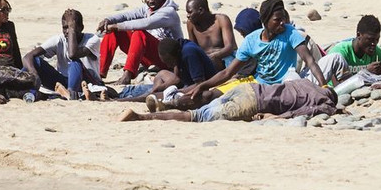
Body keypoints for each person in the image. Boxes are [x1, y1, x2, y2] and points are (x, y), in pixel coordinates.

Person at [178, 0, 329, 104]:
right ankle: (169, 104)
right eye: (277, 20)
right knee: (210, 95)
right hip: (257, 83)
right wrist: (204, 85)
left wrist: (324, 86)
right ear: (265, 20)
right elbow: (227, 73)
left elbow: (310, 61)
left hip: (280, 86)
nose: (283, 23)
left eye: (283, 18)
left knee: (226, 103)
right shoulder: (252, 40)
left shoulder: (290, 33)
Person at [119, 78, 337, 124]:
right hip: (253, 104)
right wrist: (275, 116)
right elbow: (301, 113)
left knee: (205, 107)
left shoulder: (305, 82)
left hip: (246, 89)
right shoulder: (325, 102)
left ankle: (168, 102)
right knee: (196, 117)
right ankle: (141, 117)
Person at [96, 0, 183, 84]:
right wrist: (109, 20)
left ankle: (127, 75)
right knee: (113, 32)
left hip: (167, 59)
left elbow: (146, 23)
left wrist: (117, 26)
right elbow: (127, 15)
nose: (151, 1)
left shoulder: (169, 12)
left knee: (139, 33)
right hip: (150, 55)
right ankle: (99, 73)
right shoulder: (147, 9)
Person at [22, 9, 103, 99]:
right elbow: (27, 57)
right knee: (34, 62)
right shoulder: (59, 39)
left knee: (74, 62)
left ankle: (71, 94)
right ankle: (20, 90)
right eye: (65, 28)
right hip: (63, 83)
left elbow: (73, 54)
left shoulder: (92, 39)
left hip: (87, 82)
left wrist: (72, 30)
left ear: (81, 28)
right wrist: (34, 73)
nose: (67, 31)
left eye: (71, 27)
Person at [316, 15, 381, 91]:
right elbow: (339, 88)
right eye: (370, 39)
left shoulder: (376, 51)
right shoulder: (339, 53)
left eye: (377, 39)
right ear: (358, 35)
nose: (374, 43)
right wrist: (365, 72)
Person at [184, 0, 237, 71]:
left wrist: (215, 56)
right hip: (206, 61)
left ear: (201, 11)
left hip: (226, 57)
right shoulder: (191, 24)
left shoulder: (221, 20)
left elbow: (229, 47)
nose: (188, 16)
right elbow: (193, 48)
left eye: (190, 12)